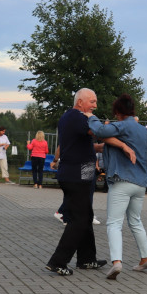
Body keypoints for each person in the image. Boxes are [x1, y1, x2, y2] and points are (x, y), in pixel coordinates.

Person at [88, 93, 147, 280]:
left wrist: (92, 117)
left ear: (118, 112)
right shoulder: (145, 131)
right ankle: (146, 258)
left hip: (122, 180)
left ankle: (116, 262)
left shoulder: (120, 125)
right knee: (135, 221)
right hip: (141, 183)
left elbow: (100, 132)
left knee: (114, 223)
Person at [44, 89, 109, 276]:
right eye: (92, 102)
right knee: (79, 220)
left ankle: (87, 259)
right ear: (80, 102)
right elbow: (96, 131)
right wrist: (93, 119)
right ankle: (58, 261)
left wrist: (104, 147)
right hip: (76, 175)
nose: (95, 106)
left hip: (80, 173)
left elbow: (86, 144)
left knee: (86, 216)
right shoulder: (76, 117)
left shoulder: (72, 117)